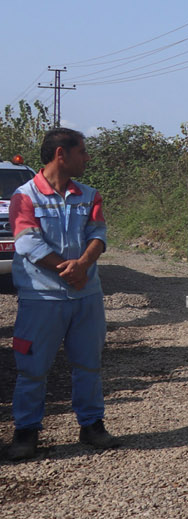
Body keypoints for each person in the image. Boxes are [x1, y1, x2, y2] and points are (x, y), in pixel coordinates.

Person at [6, 128, 118, 461]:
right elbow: (27, 241)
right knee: (32, 369)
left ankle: (92, 425)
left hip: (86, 297)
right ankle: (26, 432)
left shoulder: (89, 195)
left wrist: (83, 264)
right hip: (41, 299)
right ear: (61, 154)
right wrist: (69, 270)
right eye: (81, 151)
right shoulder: (24, 196)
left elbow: (98, 233)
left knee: (89, 365)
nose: (86, 158)